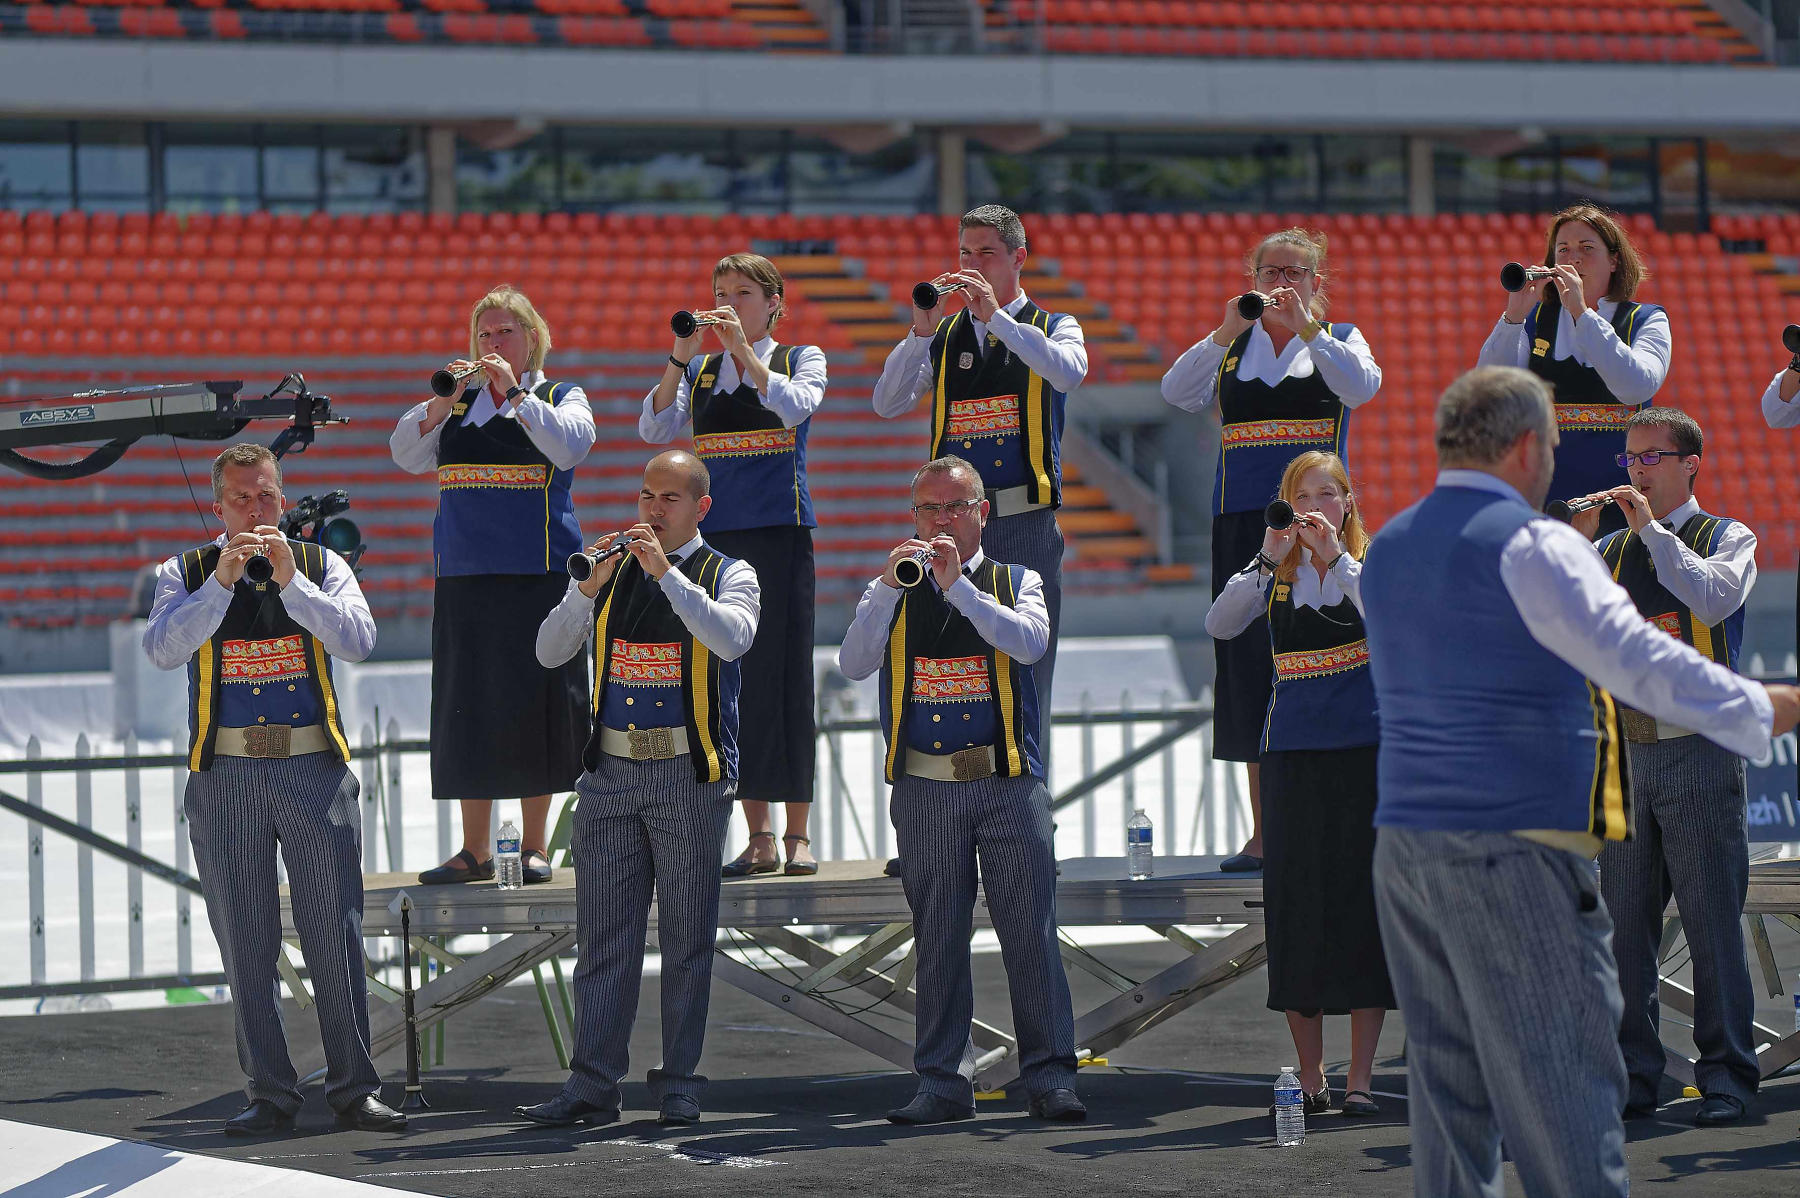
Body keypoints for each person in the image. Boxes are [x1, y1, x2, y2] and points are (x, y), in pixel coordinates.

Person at [1361, 366, 1799, 1198]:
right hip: (1517, 839)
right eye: (1556, 447)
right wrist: (1761, 705)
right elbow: (1634, 657)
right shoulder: (1538, 544)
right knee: (1566, 1084)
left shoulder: (1390, 544)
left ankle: (1721, 1071)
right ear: (1525, 445)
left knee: (1452, 1100)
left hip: (1407, 843)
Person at [143, 443, 404, 1136]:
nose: (254, 512)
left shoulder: (322, 564)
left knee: (334, 932)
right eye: (239, 501)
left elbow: (360, 641)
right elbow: (163, 649)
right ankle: (271, 1093)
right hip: (225, 772)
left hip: (310, 766)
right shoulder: (185, 570)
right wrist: (220, 585)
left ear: (284, 498)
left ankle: (355, 1088)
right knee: (246, 939)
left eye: (265, 497)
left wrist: (292, 583)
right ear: (218, 506)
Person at [837, 455, 1084, 1126]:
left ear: (982, 512)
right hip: (925, 785)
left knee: (1029, 934)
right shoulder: (892, 587)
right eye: (928, 509)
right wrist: (887, 589)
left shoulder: (1017, 579)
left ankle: (1051, 1076)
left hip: (1006, 782)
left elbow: (1029, 644)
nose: (941, 521)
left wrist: (962, 589)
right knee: (938, 937)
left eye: (954, 507)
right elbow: (852, 663)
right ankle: (943, 1082)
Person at [517, 450, 759, 1129]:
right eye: (648, 494)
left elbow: (732, 638)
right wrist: (585, 590)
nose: (652, 509)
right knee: (603, 937)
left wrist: (668, 574)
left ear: (700, 508)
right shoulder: (611, 569)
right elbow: (548, 651)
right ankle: (593, 1080)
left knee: (686, 938)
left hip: (688, 775)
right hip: (611, 776)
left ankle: (680, 1080)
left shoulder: (729, 573)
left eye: (670, 499)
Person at [1162, 228, 1382, 873]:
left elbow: (1362, 388)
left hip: (1324, 525)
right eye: (1270, 270)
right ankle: (1264, 832)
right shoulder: (1234, 345)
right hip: (1245, 523)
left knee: (1333, 658)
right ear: (1251, 276)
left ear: (1319, 280)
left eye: (1297, 271)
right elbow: (1176, 392)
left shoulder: (1340, 338)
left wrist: (1310, 328)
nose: (1282, 282)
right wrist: (1222, 332)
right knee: (1250, 668)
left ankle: (1346, 820)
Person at [1570, 408, 1761, 1126]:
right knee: (1622, 931)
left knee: (1711, 924)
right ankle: (1632, 1075)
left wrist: (1650, 530)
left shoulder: (1728, 536)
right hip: (1625, 748)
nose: (1638, 470)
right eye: (1631, 459)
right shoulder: (1611, 548)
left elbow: (1711, 596)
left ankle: (1729, 1077)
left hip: (1699, 746)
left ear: (1690, 463)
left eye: (1653, 457)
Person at [1202, 450, 1392, 1119]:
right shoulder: (1271, 576)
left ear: (1348, 502)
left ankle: (1361, 1079)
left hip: (1363, 757)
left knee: (1364, 911)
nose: (1315, 508)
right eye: (1301, 496)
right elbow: (1219, 624)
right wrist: (1269, 550)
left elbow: (1393, 620)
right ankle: (1311, 1078)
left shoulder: (1369, 567)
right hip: (1291, 757)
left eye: (1327, 495)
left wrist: (1336, 558)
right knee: (1298, 911)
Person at [390, 285, 595, 887]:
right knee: (468, 707)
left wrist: (515, 391)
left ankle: (534, 846)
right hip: (464, 574)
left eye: (505, 332)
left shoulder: (559, 395)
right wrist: (438, 402)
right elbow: (404, 453)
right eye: (484, 334)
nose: (492, 343)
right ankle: (474, 848)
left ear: (532, 338)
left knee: (537, 702)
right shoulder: (456, 402)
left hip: (538, 573)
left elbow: (570, 443)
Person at [871, 205, 1087, 767]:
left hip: (1023, 520)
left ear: (1018, 258)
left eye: (986, 253)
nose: (972, 265)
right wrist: (920, 330)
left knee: (1029, 673)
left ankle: (1030, 813)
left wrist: (998, 319)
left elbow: (1067, 372)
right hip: (953, 526)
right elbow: (887, 403)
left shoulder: (1053, 326)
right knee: (944, 659)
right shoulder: (942, 335)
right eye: (965, 253)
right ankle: (936, 808)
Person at [641, 252, 828, 878]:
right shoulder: (700, 373)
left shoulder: (799, 357)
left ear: (774, 302)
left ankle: (798, 830)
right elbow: (654, 426)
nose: (729, 303)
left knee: (785, 677)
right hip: (715, 538)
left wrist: (746, 353)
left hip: (779, 529)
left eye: (743, 293)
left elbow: (795, 408)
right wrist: (680, 354)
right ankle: (759, 832)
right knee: (731, 680)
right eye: (721, 291)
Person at [1476, 204, 1670, 536]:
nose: (1573, 258)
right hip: (1550, 495)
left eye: (1586, 249)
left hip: (1624, 496)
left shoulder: (1646, 319)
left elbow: (1637, 386)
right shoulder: (1536, 320)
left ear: (1614, 260)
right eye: (1563, 250)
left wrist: (1581, 311)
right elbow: (1490, 391)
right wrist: (1513, 318)